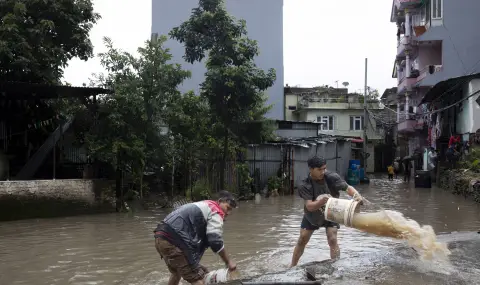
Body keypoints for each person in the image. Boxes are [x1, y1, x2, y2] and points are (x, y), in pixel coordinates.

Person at [290, 156, 364, 267]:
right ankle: (292, 266)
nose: (323, 172)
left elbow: (348, 188)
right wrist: (323, 201)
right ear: (311, 169)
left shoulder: (332, 178)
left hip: (332, 212)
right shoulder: (305, 184)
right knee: (302, 239)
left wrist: (357, 196)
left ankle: (336, 266)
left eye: (324, 168)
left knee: (332, 239)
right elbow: (309, 206)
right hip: (312, 215)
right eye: (319, 169)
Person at [154, 191, 238, 285]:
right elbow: (215, 241)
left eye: (231, 210)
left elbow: (200, 243)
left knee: (177, 273)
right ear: (219, 201)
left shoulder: (205, 205)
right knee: (198, 280)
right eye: (228, 208)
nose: (228, 213)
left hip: (161, 238)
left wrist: (195, 265)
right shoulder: (216, 211)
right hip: (173, 241)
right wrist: (228, 261)